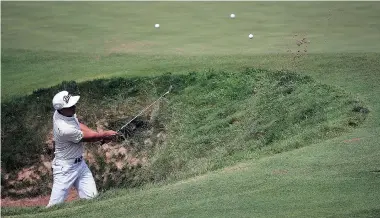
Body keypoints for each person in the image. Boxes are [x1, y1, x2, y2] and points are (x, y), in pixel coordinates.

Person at [47, 90, 118, 207]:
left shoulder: (62, 113)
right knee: (54, 207)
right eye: (70, 105)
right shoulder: (64, 129)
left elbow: (78, 124)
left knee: (92, 200)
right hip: (65, 169)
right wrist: (104, 135)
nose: (74, 106)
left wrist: (99, 135)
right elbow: (88, 138)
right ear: (62, 109)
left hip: (80, 165)